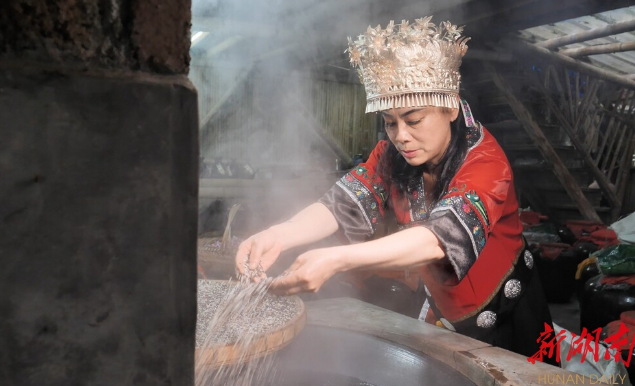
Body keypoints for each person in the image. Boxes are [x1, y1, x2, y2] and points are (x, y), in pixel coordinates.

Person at [235, 16, 557, 364]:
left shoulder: (487, 162)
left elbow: (437, 239)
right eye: (390, 122)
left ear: (449, 107)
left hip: (513, 316)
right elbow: (340, 203)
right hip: (445, 312)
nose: (400, 135)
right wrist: (280, 234)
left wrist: (335, 258)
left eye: (413, 120)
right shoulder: (391, 155)